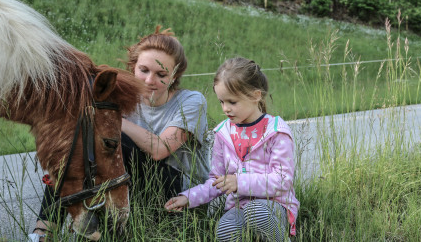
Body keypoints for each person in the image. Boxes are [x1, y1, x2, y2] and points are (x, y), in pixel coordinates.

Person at [30, 25, 210, 241]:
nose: (149, 81)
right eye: (144, 70)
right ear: (133, 67)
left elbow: (160, 149)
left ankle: (99, 229)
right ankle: (43, 233)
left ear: (174, 75)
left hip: (179, 194)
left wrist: (113, 120)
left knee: (115, 139)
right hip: (130, 187)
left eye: (161, 74)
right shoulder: (124, 96)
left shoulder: (192, 101)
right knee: (76, 143)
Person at [165, 57, 299, 242]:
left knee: (256, 212)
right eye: (221, 102)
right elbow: (217, 180)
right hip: (238, 206)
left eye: (232, 102)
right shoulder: (223, 133)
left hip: (274, 205)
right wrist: (189, 198)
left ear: (255, 95)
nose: (226, 108)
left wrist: (239, 182)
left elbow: (283, 180)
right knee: (225, 229)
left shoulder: (276, 131)